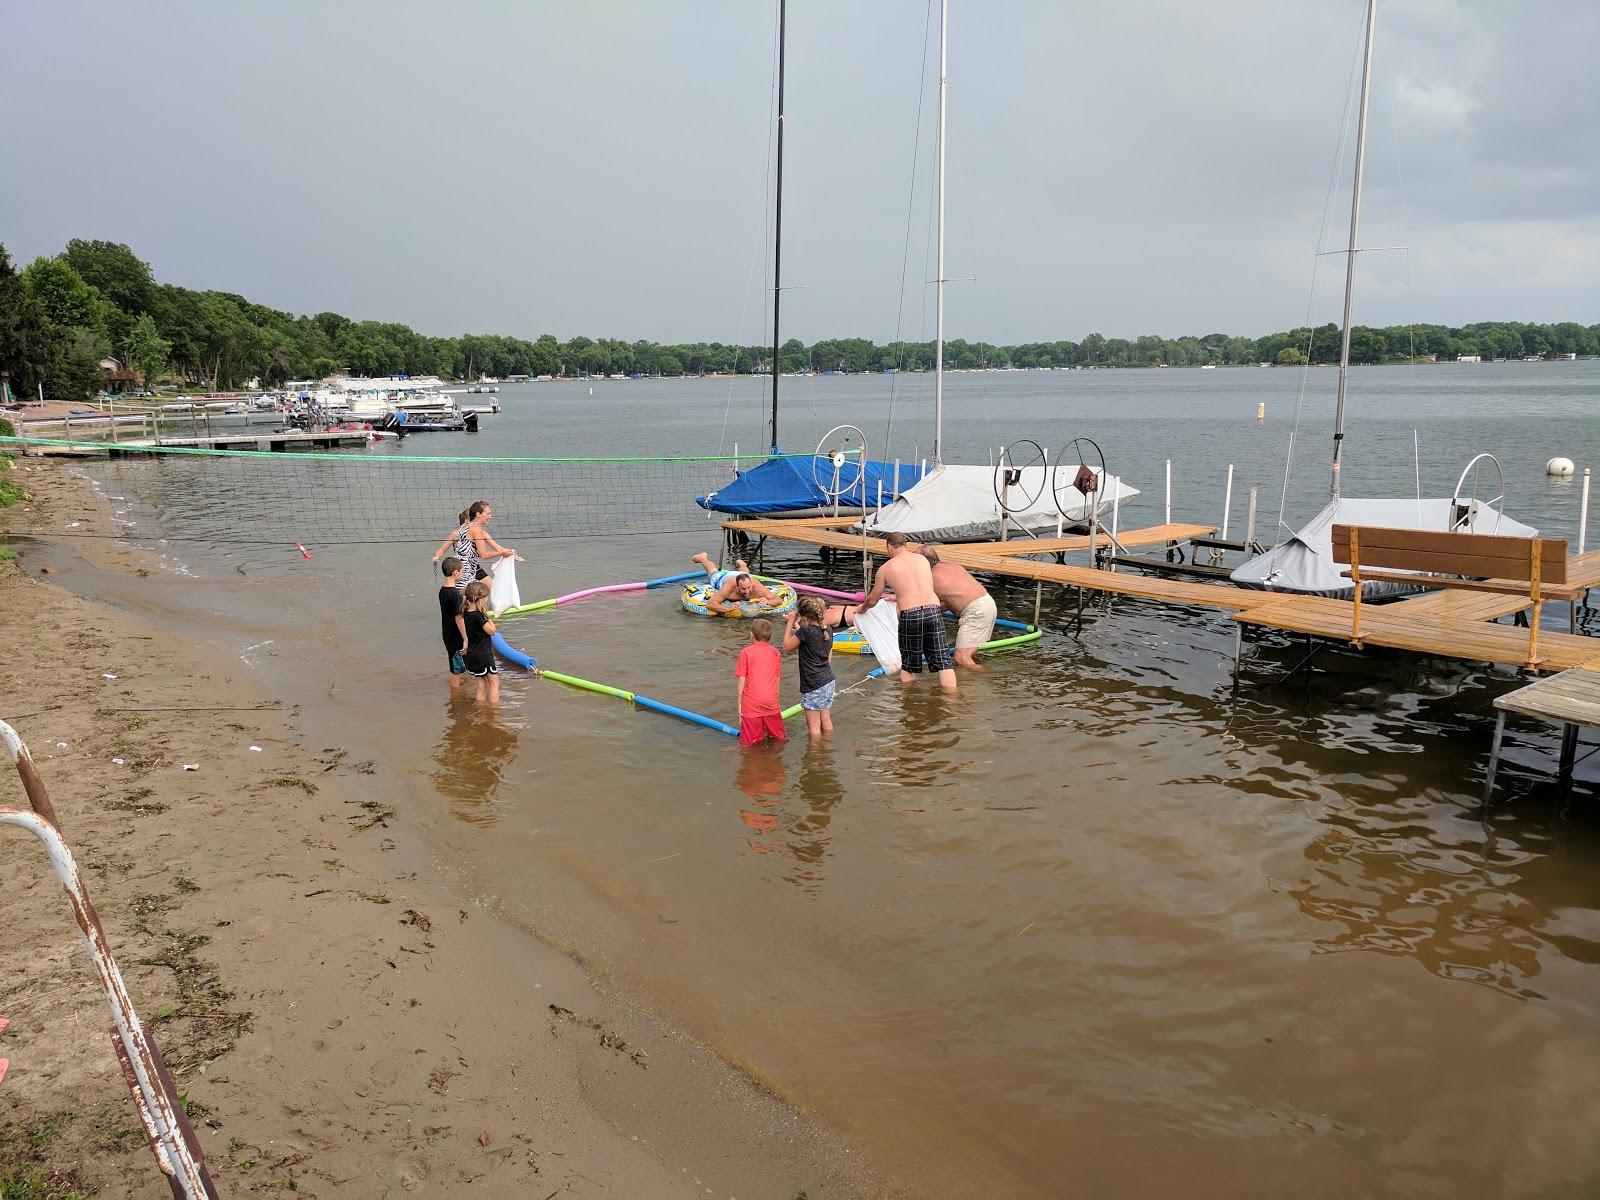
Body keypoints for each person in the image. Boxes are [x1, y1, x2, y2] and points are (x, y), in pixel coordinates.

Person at [859, 532, 957, 691]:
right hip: (933, 610)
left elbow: (872, 600)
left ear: (889, 547)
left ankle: (911, 703)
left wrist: (862, 609)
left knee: (909, 664)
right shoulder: (922, 560)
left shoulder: (885, 569)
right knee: (943, 661)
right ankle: (951, 701)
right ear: (906, 545)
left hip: (910, 614)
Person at [919, 546, 997, 669]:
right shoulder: (953, 566)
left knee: (961, 658)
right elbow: (948, 602)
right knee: (965, 654)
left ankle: (986, 681)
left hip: (976, 612)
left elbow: (927, 606)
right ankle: (971, 678)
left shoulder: (931, 578)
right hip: (987, 603)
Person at [432, 501, 522, 589]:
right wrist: (436, 557)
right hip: (463, 569)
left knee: (493, 589)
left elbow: (498, 548)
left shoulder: (478, 531)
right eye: (488, 514)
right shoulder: (466, 531)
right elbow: (484, 554)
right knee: (476, 595)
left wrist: (512, 554)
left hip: (472, 566)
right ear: (476, 515)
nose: (490, 517)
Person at [783, 596, 835, 737]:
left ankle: (816, 756)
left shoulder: (805, 632)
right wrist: (796, 624)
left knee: (814, 729)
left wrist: (790, 622)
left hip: (813, 684)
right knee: (826, 719)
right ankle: (828, 747)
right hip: (828, 681)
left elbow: (787, 646)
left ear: (803, 615)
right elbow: (807, 636)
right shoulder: (827, 630)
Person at [734, 617, 786, 746]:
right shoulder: (776, 653)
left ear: (751, 634)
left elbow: (742, 679)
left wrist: (740, 706)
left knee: (749, 744)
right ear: (771, 636)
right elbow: (777, 679)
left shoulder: (745, 652)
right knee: (778, 738)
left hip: (751, 703)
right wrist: (776, 701)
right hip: (771, 701)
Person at [690, 551, 777, 614]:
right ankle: (703, 558)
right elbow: (710, 604)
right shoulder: (728, 588)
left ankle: (743, 565)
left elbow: (778, 600)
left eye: (748, 587)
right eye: (743, 589)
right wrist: (727, 609)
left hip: (743, 575)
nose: (747, 591)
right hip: (723, 578)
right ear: (737, 587)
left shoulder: (756, 587)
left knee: (745, 574)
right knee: (713, 572)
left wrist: (768, 601)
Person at [461, 580, 500, 705]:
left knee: (481, 684)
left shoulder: (465, 613)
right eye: (485, 597)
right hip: (483, 654)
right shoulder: (479, 615)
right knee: (494, 683)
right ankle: (494, 711)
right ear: (479, 599)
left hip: (472, 654)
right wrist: (487, 616)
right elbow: (492, 631)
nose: (487, 600)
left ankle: (481, 709)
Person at [438, 555, 468, 689]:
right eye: (461, 571)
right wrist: (466, 638)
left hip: (447, 632)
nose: (463, 573)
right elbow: (458, 618)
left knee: (456, 662)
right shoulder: (455, 594)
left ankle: (460, 688)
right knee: (455, 668)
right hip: (455, 636)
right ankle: (455, 696)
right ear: (455, 572)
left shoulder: (443, 590)